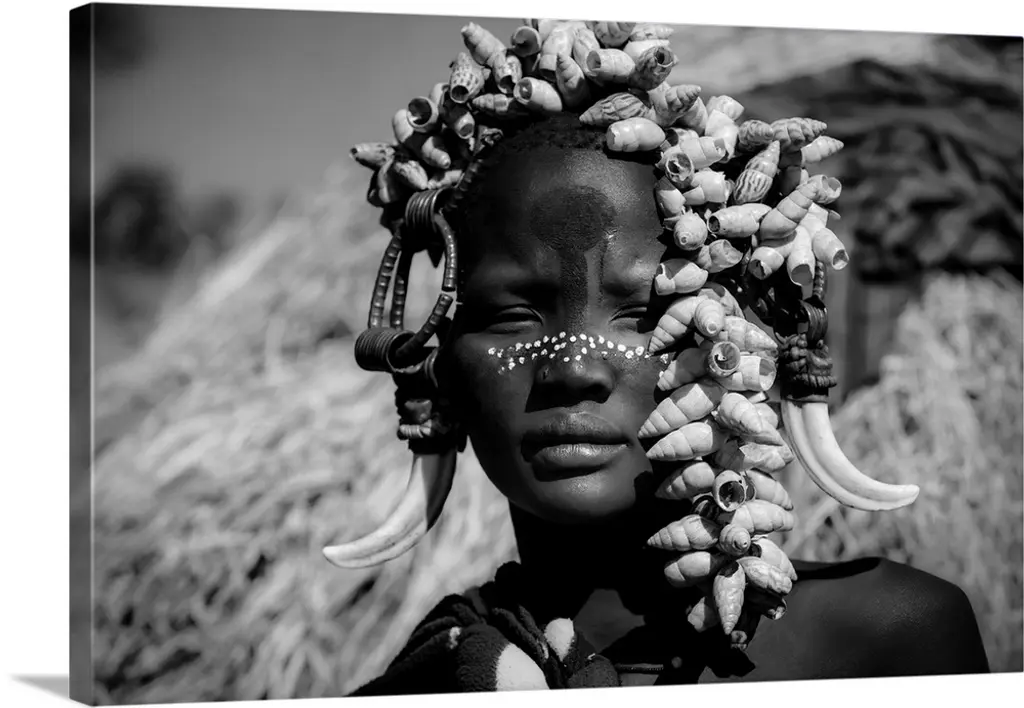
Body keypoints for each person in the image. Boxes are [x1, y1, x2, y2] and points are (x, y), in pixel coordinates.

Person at [331, 19, 990, 693]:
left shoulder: (891, 640)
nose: (573, 368)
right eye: (511, 317)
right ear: (439, 366)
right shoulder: (435, 680)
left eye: (646, 314)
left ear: (732, 342)